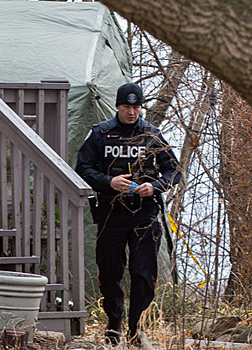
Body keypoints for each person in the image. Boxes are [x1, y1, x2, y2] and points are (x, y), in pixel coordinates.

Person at [75, 82, 182, 346]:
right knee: (110, 272)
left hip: (144, 214)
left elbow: (174, 171)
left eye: (136, 107)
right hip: (111, 212)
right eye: (126, 107)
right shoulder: (100, 134)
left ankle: (136, 329)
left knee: (143, 273)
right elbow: (82, 168)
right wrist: (107, 182)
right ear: (117, 107)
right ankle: (114, 325)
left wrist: (154, 186)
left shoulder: (152, 135)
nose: (132, 112)